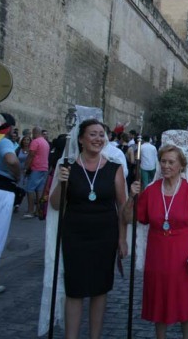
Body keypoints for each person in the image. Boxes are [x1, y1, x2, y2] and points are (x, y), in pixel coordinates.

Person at [44, 118, 129, 339]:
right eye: (93, 134)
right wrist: (61, 182)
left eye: (102, 134)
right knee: (75, 289)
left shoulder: (114, 168)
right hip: (75, 235)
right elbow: (55, 205)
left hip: (105, 236)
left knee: (100, 290)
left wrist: (122, 238)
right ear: (81, 139)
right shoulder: (68, 167)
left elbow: (122, 207)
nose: (98, 138)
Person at [130, 130, 188, 339]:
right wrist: (132, 197)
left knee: (185, 301)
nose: (166, 166)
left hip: (184, 253)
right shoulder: (150, 190)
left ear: (181, 166)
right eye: (163, 162)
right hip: (158, 253)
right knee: (159, 300)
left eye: (171, 162)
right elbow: (135, 218)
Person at [0, 113, 20, 295]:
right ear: (8, 128)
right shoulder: (4, 141)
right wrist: (18, 174)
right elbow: (11, 160)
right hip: (0, 190)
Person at [23, 126, 50, 219]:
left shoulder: (35, 141)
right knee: (38, 190)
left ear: (34, 132)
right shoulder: (45, 142)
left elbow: (31, 155)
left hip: (36, 168)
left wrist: (26, 167)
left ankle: (30, 211)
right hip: (44, 168)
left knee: (29, 189)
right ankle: (39, 211)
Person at [15, 135, 31, 213]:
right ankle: (16, 203)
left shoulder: (31, 151)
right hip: (17, 171)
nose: (26, 141)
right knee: (17, 188)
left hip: (26, 172)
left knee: (23, 189)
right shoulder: (18, 150)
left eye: (28, 140)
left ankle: (18, 203)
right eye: (24, 140)